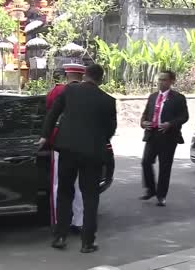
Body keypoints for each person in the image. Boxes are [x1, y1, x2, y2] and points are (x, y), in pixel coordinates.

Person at [38, 64, 117, 253]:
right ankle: (87, 242)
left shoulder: (70, 90)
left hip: (67, 150)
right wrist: (97, 140)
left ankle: (60, 237)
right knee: (90, 197)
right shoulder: (108, 100)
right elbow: (110, 130)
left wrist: (44, 135)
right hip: (92, 154)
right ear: (100, 79)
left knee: (65, 193)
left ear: (85, 76)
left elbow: (53, 113)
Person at [46, 64, 86, 234]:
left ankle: (58, 221)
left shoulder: (57, 91)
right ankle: (79, 221)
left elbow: (49, 113)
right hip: (84, 144)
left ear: (67, 75)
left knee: (58, 184)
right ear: (82, 76)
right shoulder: (89, 92)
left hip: (61, 142)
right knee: (79, 185)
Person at [139, 70, 189, 207]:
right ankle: (151, 189)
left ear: (172, 81)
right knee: (146, 162)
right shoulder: (153, 96)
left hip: (168, 136)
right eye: (159, 80)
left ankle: (161, 196)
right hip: (152, 134)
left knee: (165, 167)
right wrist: (143, 123)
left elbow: (184, 117)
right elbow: (145, 115)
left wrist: (170, 124)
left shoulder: (178, 98)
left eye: (164, 80)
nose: (161, 82)